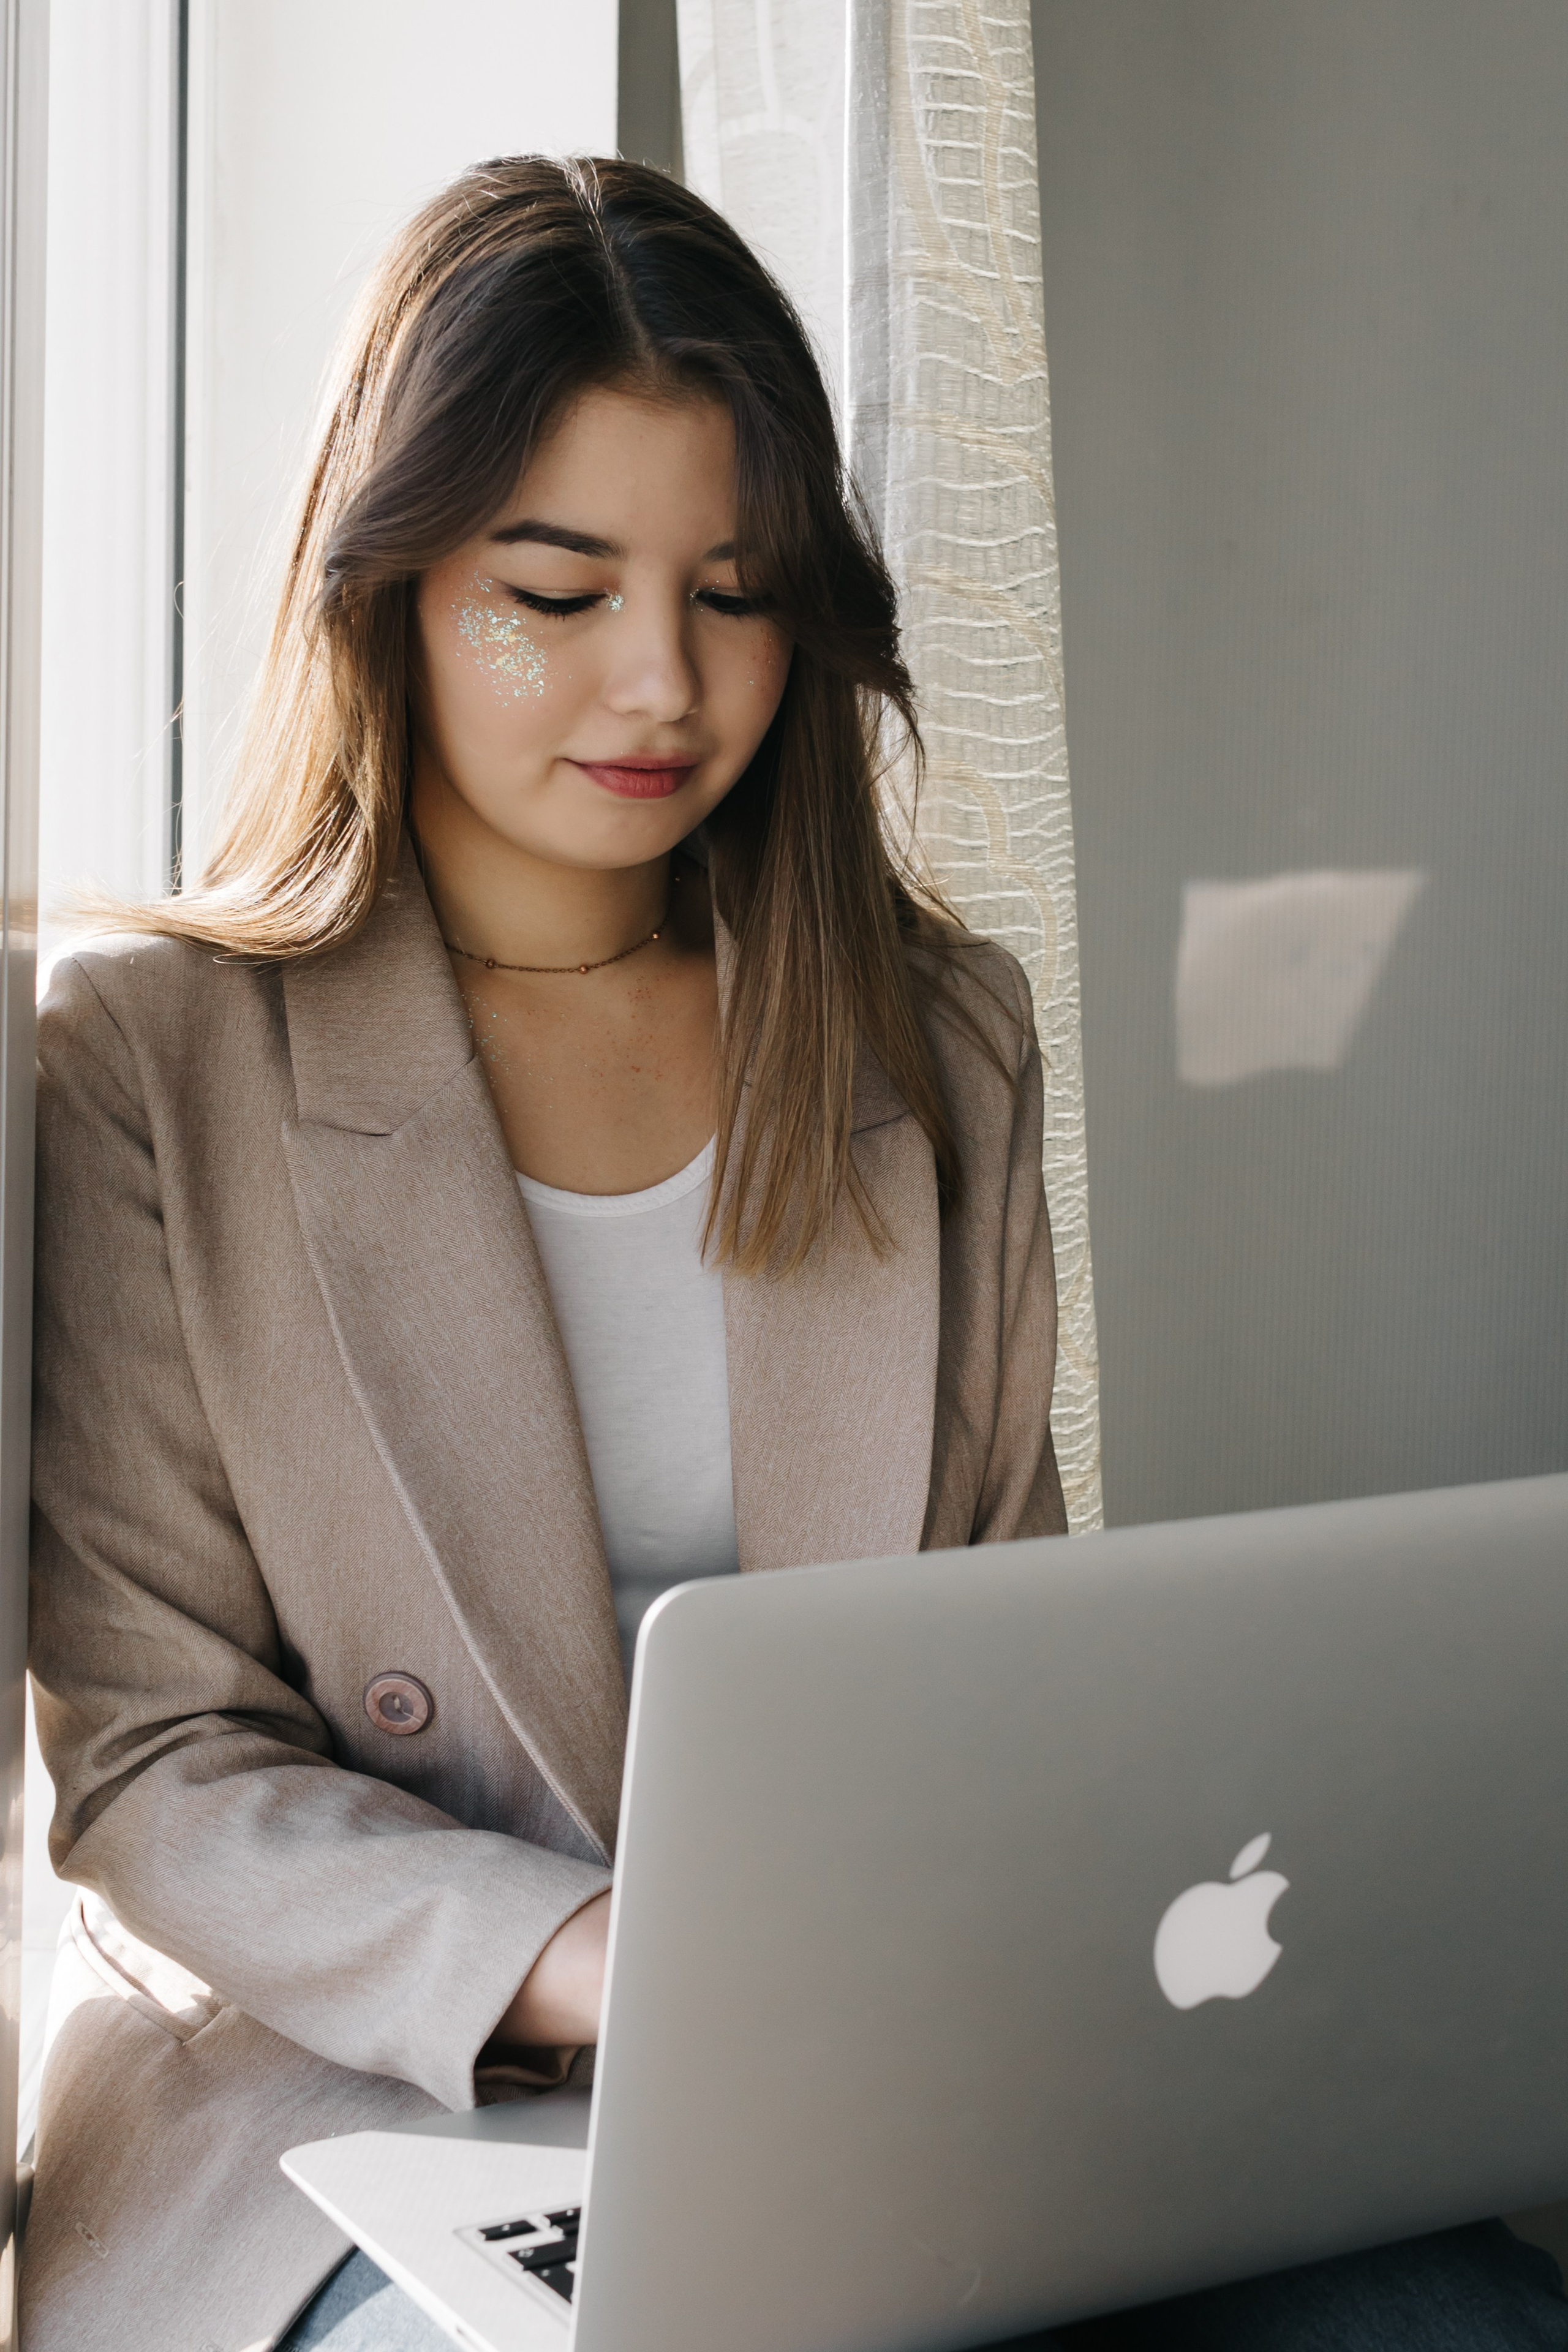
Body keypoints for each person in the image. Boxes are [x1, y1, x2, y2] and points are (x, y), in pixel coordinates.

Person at [18, 157, 1564, 2352]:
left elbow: (1022, 1658)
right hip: (353, 2102)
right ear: (385, 583)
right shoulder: (149, 1056)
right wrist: (607, 1958)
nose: (661, 680)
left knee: (1458, 2325)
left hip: (917, 2069)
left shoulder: (933, 1039)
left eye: (733, 592)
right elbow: (159, 1765)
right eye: (552, 590)